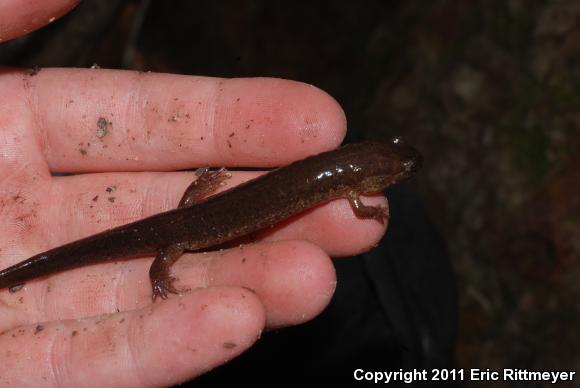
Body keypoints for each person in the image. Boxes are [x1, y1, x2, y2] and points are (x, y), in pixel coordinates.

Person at [0, 1, 411, 385]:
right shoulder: (355, 186)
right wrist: (371, 213)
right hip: (178, 231)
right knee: (163, 244)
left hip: (185, 222)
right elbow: (359, 208)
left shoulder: (350, 175)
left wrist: (200, 189)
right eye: (400, 165)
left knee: (179, 236)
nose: (399, 166)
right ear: (365, 171)